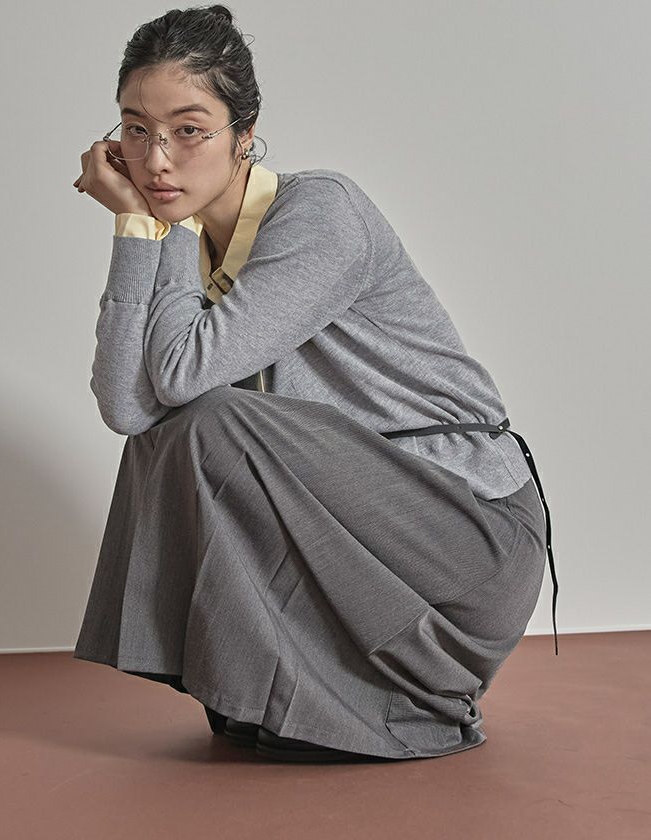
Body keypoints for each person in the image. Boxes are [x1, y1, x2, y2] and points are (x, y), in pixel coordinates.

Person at [71, 4, 559, 764]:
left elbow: (179, 374)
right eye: (137, 130)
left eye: (188, 130)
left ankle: (401, 691)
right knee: (175, 431)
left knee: (214, 419)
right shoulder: (187, 246)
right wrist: (139, 228)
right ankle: (293, 692)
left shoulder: (322, 212)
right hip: (360, 536)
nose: (157, 160)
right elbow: (129, 409)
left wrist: (155, 228)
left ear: (245, 133)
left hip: (466, 533)